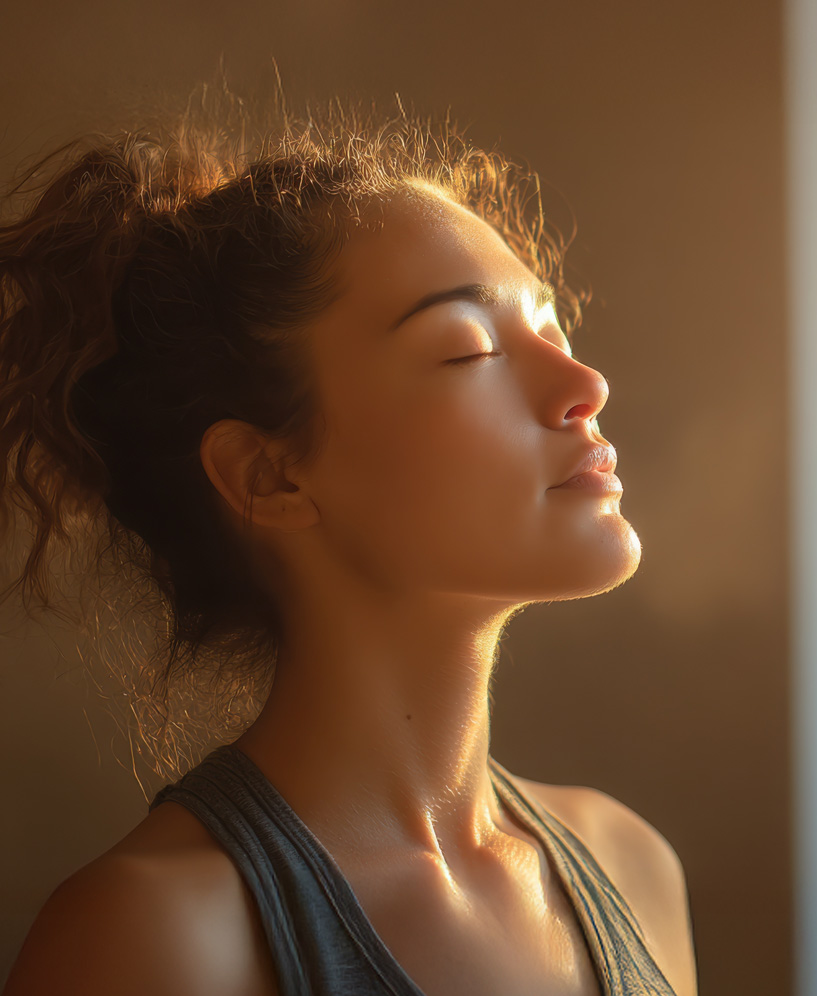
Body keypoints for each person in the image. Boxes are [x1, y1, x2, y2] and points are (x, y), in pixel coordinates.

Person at [0, 87, 698, 996]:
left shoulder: (630, 869)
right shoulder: (158, 937)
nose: (583, 382)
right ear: (271, 475)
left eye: (551, 325)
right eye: (466, 348)